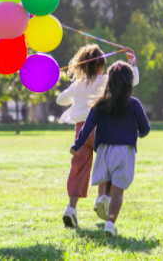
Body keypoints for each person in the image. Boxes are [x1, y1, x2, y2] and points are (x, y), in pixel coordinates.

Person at [57, 45, 139, 228]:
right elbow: (132, 81)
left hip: (81, 131)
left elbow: (60, 100)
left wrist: (77, 95)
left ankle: (71, 208)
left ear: (82, 65)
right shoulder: (105, 80)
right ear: (102, 66)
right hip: (101, 129)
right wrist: (132, 62)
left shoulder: (77, 84)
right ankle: (102, 198)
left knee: (78, 169)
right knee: (108, 164)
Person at [70, 61, 150, 237]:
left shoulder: (100, 104)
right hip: (125, 151)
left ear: (109, 81)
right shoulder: (134, 104)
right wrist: (137, 134)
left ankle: (104, 198)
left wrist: (76, 145)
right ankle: (109, 224)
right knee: (118, 191)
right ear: (129, 83)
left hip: (104, 151)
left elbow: (87, 127)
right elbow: (146, 128)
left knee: (108, 179)